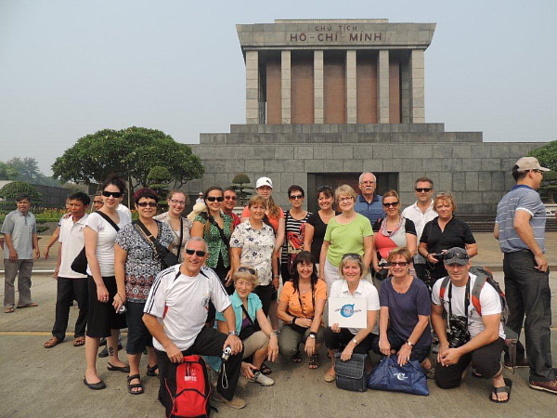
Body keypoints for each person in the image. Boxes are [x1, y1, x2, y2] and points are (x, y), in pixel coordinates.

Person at [143, 237, 246, 410]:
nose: (194, 257)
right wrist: (169, 346)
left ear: (206, 256)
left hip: (197, 335)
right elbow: (148, 318)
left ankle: (223, 393)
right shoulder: (166, 278)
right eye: (190, 252)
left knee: (236, 348)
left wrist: (232, 335)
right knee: (173, 402)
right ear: (184, 253)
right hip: (170, 343)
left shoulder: (209, 275)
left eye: (200, 253)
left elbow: (226, 306)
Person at [494, 156, 557, 394]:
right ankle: (541, 375)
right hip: (527, 260)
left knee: (514, 315)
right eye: (540, 172)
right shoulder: (529, 196)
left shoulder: (505, 199)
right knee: (538, 318)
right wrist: (538, 253)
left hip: (510, 260)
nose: (541, 176)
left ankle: (513, 357)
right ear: (530, 172)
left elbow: (498, 233)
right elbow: (521, 223)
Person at [431, 247, 511, 403]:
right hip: (460, 335)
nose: (455, 269)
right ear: (445, 265)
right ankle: (466, 362)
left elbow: (492, 333)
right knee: (445, 381)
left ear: (468, 264)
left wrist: (459, 352)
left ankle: (498, 377)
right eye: (451, 265)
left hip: (486, 337)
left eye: (460, 265)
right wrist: (444, 343)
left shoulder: (484, 290)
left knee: (484, 363)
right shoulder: (440, 285)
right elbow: (436, 314)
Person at [114, 188, 174, 395]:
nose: (147, 207)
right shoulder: (127, 231)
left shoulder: (164, 229)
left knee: (156, 329)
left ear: (156, 207)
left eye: (151, 204)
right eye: (143, 204)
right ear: (136, 207)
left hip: (159, 291)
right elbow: (119, 262)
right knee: (137, 332)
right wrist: (121, 292)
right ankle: (133, 372)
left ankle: (152, 365)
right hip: (135, 292)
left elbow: (168, 252)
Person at [82, 177, 131, 390]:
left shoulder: (125, 214)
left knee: (114, 321)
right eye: (107, 193)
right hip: (98, 277)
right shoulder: (94, 219)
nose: (111, 198)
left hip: (119, 276)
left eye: (116, 194)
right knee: (95, 325)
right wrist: (99, 284)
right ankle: (90, 371)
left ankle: (114, 359)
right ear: (101, 194)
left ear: (122, 196)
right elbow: (90, 254)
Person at [216, 266, 278, 386]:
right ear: (235, 283)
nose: (243, 287)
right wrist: (240, 363)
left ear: (253, 286)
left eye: (248, 284)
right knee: (238, 385)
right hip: (227, 348)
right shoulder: (227, 302)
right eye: (240, 283)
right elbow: (222, 339)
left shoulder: (254, 298)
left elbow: (264, 322)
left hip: (242, 343)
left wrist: (273, 337)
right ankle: (239, 368)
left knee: (266, 336)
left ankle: (254, 371)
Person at [43, 192, 90, 348]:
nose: (73, 208)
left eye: (77, 205)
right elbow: (62, 245)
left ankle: (79, 333)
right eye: (70, 205)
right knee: (61, 304)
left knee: (84, 305)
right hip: (64, 272)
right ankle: (58, 334)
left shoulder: (90, 223)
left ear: (86, 207)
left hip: (82, 273)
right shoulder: (65, 221)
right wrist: (58, 267)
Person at [323, 253, 379, 382]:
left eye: (354, 267)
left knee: (356, 353)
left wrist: (351, 345)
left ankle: (362, 355)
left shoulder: (370, 290)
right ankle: (335, 363)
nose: (350, 271)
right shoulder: (337, 285)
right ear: (342, 270)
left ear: (361, 270)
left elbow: (370, 324)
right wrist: (335, 325)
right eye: (346, 267)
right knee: (329, 332)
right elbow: (335, 314)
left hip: (366, 333)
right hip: (347, 329)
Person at [375, 248, 431, 371]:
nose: (397, 267)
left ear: (409, 265)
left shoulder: (419, 287)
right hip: (397, 333)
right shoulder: (385, 284)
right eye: (393, 263)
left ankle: (423, 361)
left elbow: (424, 321)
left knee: (406, 362)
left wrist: (408, 345)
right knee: (376, 344)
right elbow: (384, 312)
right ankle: (397, 353)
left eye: (402, 263)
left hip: (418, 337)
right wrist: (383, 338)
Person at [277, 251, 326, 369]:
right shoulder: (289, 285)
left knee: (318, 335)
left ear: (313, 267)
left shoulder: (320, 285)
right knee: (286, 350)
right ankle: (296, 348)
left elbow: (319, 313)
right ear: (296, 267)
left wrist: (312, 335)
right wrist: (295, 320)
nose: (305, 269)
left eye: (309, 265)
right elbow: (280, 312)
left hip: (312, 323)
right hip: (293, 323)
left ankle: (314, 352)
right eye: (302, 265)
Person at [319, 185, 373, 292]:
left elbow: (369, 249)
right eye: (342, 199)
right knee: (335, 301)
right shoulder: (332, 222)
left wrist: (363, 270)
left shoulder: (364, 221)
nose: (345, 201)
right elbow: (325, 247)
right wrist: (321, 271)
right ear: (338, 203)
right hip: (333, 269)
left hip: (355, 269)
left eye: (348, 198)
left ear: (354, 200)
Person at [231, 196, 277, 317]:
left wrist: (276, 276)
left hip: (265, 280)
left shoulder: (269, 230)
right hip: (247, 281)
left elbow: (273, 255)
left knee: (262, 314)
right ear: (249, 209)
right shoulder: (241, 229)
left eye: (261, 207)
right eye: (255, 207)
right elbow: (235, 255)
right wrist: (238, 278)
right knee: (247, 315)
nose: (258, 210)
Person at [418, 192, 477, 287]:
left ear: (452, 207)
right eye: (440, 206)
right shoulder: (429, 226)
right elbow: (421, 247)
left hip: (456, 270)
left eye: (447, 206)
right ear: (435, 209)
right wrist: (427, 255)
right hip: (433, 271)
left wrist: (454, 254)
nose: (443, 209)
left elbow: (473, 249)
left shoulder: (461, 226)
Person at [191, 187, 233, 296]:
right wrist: (203, 271)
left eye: (219, 199)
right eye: (211, 199)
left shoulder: (228, 219)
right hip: (207, 267)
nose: (215, 202)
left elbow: (231, 245)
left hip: (225, 267)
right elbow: (196, 247)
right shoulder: (200, 220)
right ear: (205, 200)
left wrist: (233, 268)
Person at [2, 193, 40, 313]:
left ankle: (25, 301)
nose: (22, 205)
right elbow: (6, 234)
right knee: (10, 280)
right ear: (16, 204)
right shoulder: (11, 216)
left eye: (24, 202)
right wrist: (11, 250)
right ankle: (8, 304)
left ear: (29, 204)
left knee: (25, 279)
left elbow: (34, 234)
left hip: (27, 254)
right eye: (20, 202)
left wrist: (37, 248)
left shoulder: (31, 217)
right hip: (13, 254)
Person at [372, 191, 417, 282]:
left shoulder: (408, 223)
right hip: (381, 269)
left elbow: (411, 249)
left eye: (394, 204)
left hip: (401, 268)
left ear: (399, 205)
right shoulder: (378, 223)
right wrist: (374, 263)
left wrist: (396, 264)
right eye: (387, 205)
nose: (391, 207)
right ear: (383, 207)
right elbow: (372, 247)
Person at [401, 177, 437, 281]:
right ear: (415, 192)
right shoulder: (407, 212)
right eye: (419, 189)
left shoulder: (439, 210)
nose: (422, 192)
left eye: (426, 189)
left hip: (434, 256)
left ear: (432, 191)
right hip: (414, 258)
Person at [280, 185, 311, 283]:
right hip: (287, 261)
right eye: (293, 197)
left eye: (299, 196)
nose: (296, 199)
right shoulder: (284, 216)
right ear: (290, 199)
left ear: (303, 198)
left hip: (304, 261)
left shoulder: (310, 217)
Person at [154, 189, 192, 263]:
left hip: (183, 265)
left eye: (181, 202)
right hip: (164, 264)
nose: (178, 205)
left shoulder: (188, 223)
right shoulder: (157, 221)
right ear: (168, 201)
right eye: (175, 201)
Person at [303, 185, 337, 264]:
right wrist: (308, 261)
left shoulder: (339, 217)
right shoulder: (312, 218)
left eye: (327, 198)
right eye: (321, 199)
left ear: (333, 199)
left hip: (336, 260)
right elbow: (307, 243)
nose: (324, 201)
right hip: (316, 260)